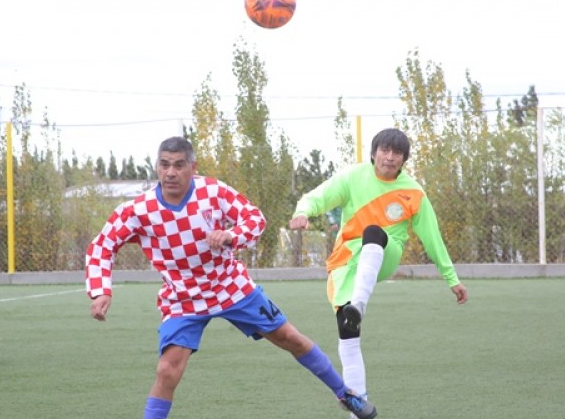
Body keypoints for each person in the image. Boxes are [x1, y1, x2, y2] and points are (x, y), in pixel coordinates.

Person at [85, 136, 377, 419]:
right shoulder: (138, 210)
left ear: (193, 167)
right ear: (157, 167)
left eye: (178, 165)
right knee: (167, 370)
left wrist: (230, 235)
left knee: (291, 338)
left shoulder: (213, 192)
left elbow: (255, 219)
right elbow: (103, 245)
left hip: (231, 287)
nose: (170, 172)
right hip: (183, 298)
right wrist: (101, 290)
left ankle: (345, 393)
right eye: (164, 165)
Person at [289, 128, 468, 413]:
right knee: (347, 333)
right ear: (374, 153)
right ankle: (357, 405)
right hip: (347, 259)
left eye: (397, 153)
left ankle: (359, 303)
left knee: (374, 232)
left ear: (404, 159)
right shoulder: (353, 177)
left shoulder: (413, 192)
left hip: (386, 253)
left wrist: (452, 278)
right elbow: (319, 196)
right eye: (384, 150)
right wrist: (302, 212)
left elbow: (432, 237)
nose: (390, 157)